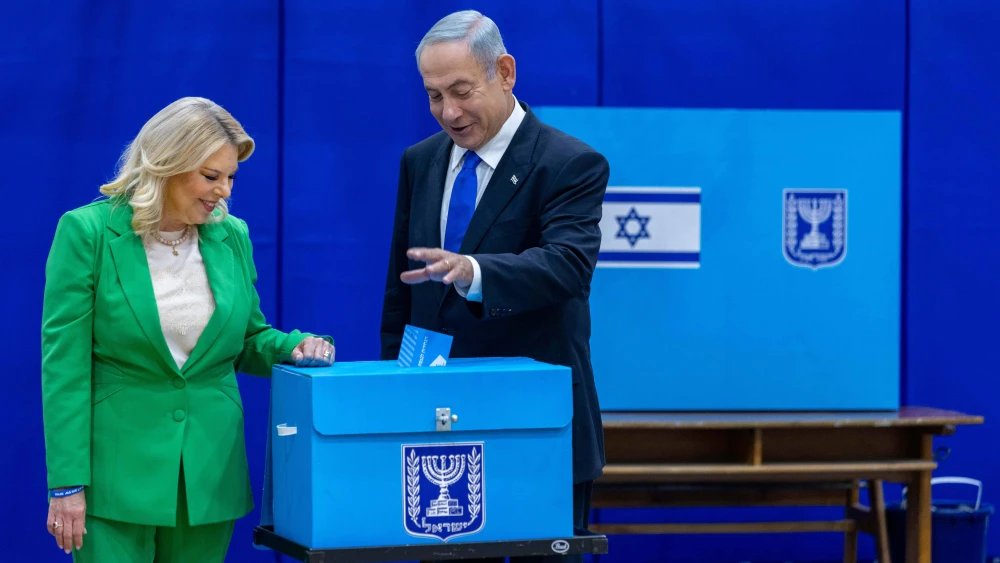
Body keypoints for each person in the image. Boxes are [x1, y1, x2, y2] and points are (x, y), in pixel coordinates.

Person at [41, 96, 335, 562]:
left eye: (231, 178)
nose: (224, 192)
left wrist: (296, 346)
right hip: (115, 476)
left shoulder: (232, 234)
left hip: (207, 476)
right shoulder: (88, 233)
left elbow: (247, 341)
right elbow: (64, 369)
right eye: (211, 176)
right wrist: (67, 483)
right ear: (166, 165)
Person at [380, 10, 608, 560]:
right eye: (433, 96)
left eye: (460, 90)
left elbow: (568, 266)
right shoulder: (422, 160)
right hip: (437, 421)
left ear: (504, 71)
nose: (448, 112)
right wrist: (391, 390)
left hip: (533, 420)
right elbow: (402, 290)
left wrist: (475, 271)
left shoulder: (568, 162)